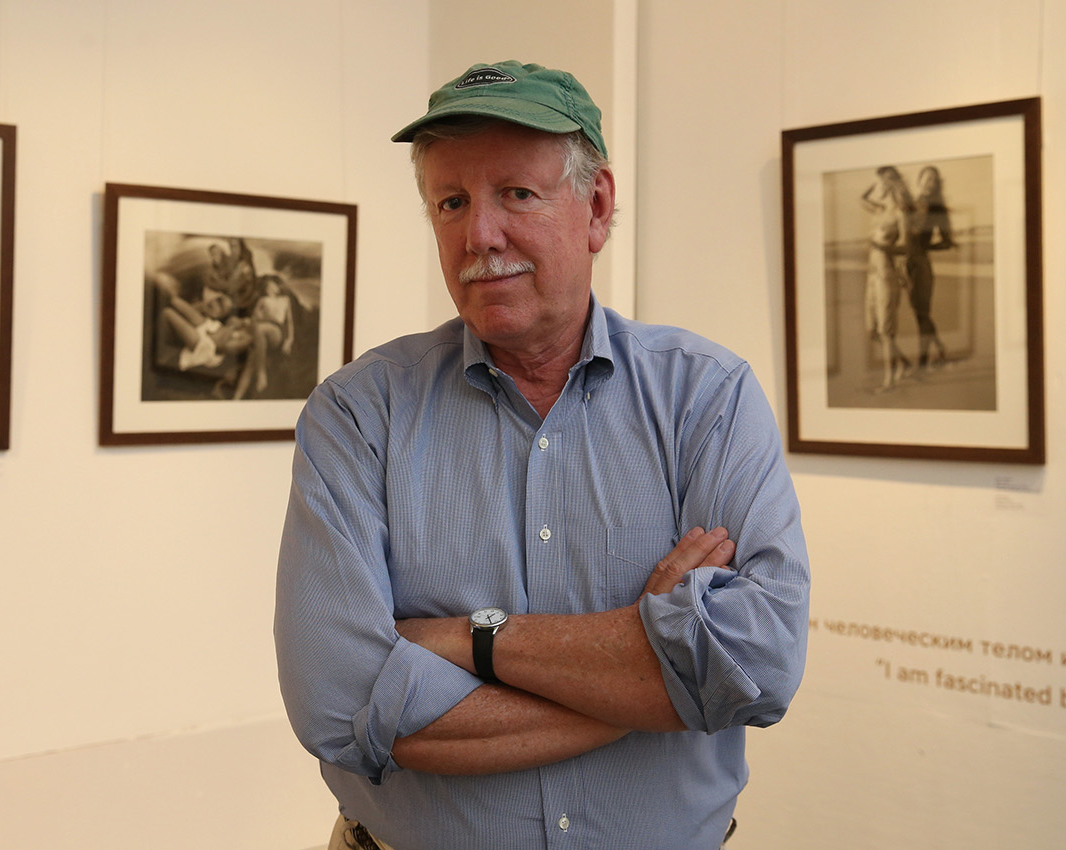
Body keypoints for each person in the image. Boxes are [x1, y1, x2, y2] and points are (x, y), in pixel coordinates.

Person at [274, 61, 810, 850]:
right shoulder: (358, 414)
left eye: (517, 194)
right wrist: (657, 670)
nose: (479, 235)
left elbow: (757, 663)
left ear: (597, 206)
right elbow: (340, 704)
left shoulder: (706, 397)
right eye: (452, 202)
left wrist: (469, 639)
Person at [859, 166, 913, 391]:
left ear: (897, 182)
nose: (884, 183)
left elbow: (905, 247)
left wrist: (882, 247)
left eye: (888, 179)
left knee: (885, 330)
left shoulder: (900, 214)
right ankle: (904, 363)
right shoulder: (879, 210)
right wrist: (876, 184)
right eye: (882, 180)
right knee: (872, 329)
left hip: (887, 275)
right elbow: (862, 199)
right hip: (872, 275)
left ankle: (889, 380)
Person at [906, 165, 954, 369]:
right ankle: (940, 348)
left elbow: (947, 242)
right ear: (919, 181)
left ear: (937, 185)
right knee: (919, 314)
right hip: (906, 265)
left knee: (922, 314)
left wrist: (924, 247)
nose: (929, 183)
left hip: (921, 265)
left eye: (933, 180)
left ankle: (922, 362)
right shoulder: (909, 204)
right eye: (926, 179)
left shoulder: (937, 209)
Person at [233, 273, 294, 399]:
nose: (271, 288)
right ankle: (236, 398)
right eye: (269, 286)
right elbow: (254, 319)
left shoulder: (285, 300)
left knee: (260, 329)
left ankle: (261, 373)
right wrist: (259, 316)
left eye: (273, 285)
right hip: (260, 331)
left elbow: (289, 322)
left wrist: (289, 340)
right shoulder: (262, 300)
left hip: (276, 332)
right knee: (251, 362)